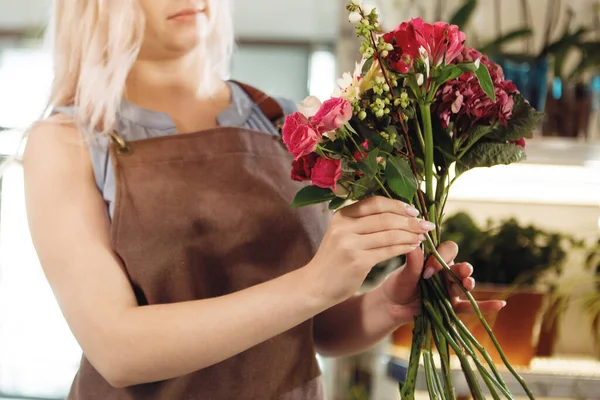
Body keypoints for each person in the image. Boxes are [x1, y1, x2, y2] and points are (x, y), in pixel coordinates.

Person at [22, 1, 504, 399]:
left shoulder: (284, 123)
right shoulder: (67, 142)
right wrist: (316, 283)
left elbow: (308, 330)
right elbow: (118, 350)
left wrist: (387, 304)